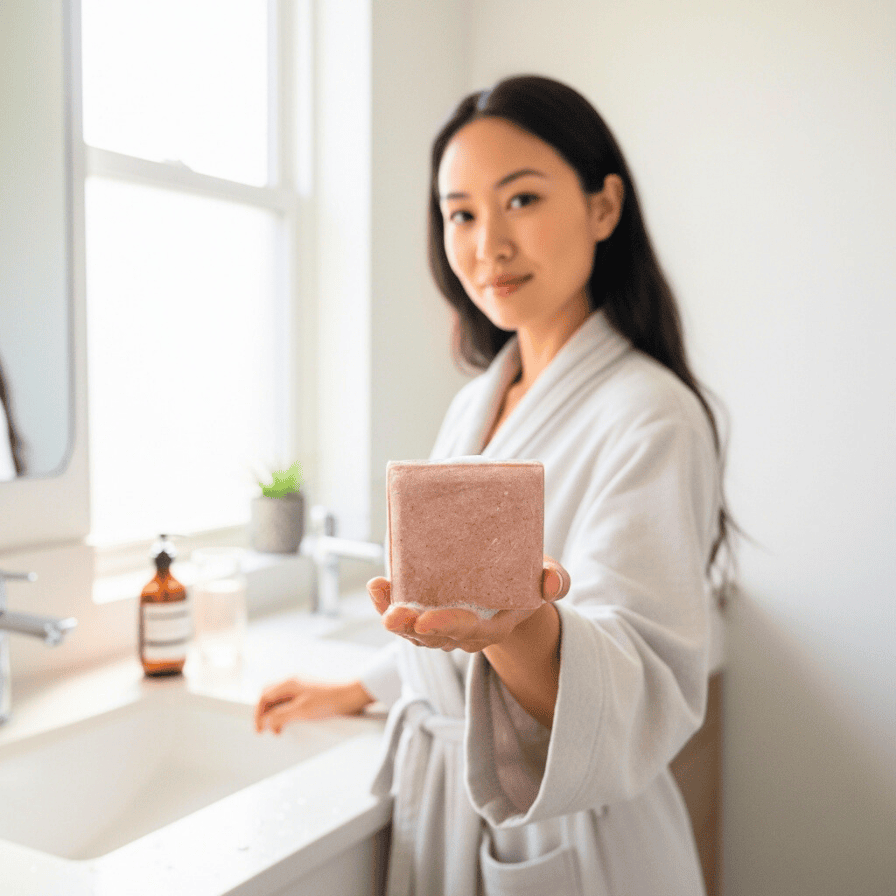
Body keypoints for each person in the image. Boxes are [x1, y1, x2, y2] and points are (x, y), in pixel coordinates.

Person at [256, 74, 732, 896]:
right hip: (445, 805)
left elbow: (639, 680)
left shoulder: (652, 415)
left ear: (603, 208)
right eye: (461, 214)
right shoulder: (479, 399)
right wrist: (360, 684)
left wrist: (525, 629)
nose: (488, 245)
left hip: (582, 850)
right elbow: (445, 614)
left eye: (520, 201)